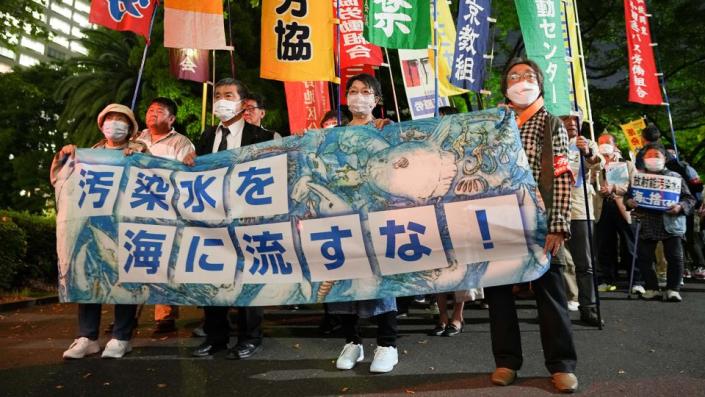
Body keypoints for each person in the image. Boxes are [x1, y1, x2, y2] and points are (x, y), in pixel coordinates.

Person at [484, 58, 578, 393]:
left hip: (539, 221)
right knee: (498, 295)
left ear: (539, 82)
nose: (521, 81)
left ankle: (562, 365)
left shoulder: (551, 123)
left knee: (550, 294)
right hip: (497, 220)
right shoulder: (494, 123)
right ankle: (506, 361)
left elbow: (563, 175)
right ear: (505, 87)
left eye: (528, 76)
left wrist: (557, 224)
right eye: (513, 77)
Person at [186, 78, 275, 360]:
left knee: (247, 279)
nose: (221, 100)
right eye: (218, 95)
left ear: (241, 102)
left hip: (249, 220)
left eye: (228, 95)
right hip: (212, 221)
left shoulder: (260, 137)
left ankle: (251, 338)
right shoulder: (206, 135)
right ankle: (216, 338)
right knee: (213, 277)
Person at [54, 103, 147, 359]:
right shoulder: (87, 154)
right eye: (110, 119)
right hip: (91, 225)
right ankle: (87, 336)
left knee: (126, 279)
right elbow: (61, 181)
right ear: (101, 124)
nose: (114, 124)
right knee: (88, 275)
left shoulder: (138, 150)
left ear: (130, 127)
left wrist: (139, 157)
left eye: (120, 119)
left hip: (127, 226)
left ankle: (121, 336)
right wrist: (65, 156)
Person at [329, 73, 398, 374]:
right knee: (344, 278)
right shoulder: (333, 135)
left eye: (365, 91)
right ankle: (352, 342)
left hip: (377, 217)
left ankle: (388, 344)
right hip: (342, 218)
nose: (358, 96)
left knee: (382, 278)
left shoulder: (386, 129)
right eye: (353, 91)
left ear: (376, 100)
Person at [135, 97, 195, 333]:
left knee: (163, 261)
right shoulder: (135, 139)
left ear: (171, 119)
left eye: (159, 111)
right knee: (135, 260)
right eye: (150, 110)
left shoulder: (182, 143)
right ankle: (127, 315)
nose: (153, 113)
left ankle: (165, 315)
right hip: (136, 208)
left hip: (167, 210)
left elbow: (188, 174)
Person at [625, 142, 695, 301]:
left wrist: (680, 207)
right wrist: (629, 202)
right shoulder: (639, 178)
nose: (653, 158)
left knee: (675, 257)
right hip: (647, 222)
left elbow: (689, 199)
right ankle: (652, 288)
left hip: (670, 222)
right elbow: (628, 197)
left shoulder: (674, 177)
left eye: (656, 155)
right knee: (644, 258)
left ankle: (673, 289)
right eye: (649, 156)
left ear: (664, 158)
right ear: (643, 159)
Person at [559, 111, 604, 326]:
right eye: (566, 119)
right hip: (554, 207)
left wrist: (586, 152)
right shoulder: (550, 142)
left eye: (576, 119)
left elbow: (597, 163)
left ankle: (589, 307)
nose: (572, 123)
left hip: (579, 208)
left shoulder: (587, 143)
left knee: (584, 262)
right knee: (556, 262)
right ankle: (559, 306)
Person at [594, 133, 642, 294]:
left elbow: (635, 187)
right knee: (604, 245)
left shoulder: (626, 164)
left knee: (629, 245)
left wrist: (614, 188)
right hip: (603, 208)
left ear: (615, 146)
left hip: (623, 207)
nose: (603, 146)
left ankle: (635, 280)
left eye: (607, 143)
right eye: (600, 143)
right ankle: (608, 279)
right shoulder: (596, 165)